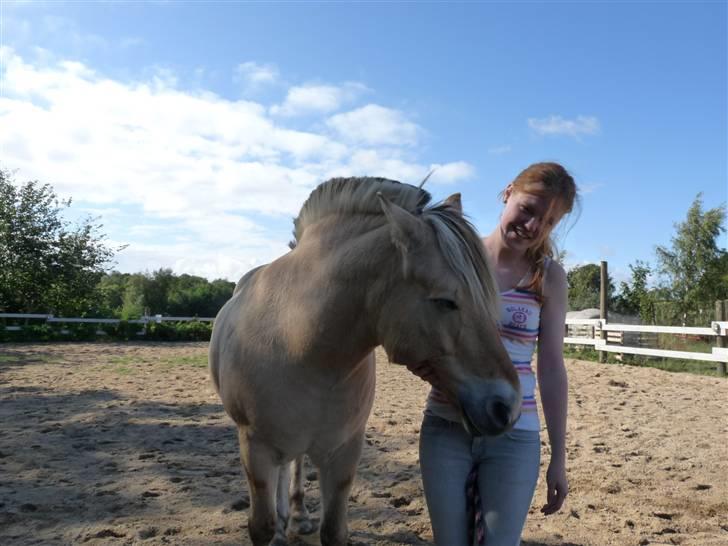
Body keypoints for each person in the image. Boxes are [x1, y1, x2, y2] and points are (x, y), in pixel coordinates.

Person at [409, 162, 578, 546]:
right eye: (528, 209)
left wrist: (558, 457)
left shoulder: (548, 277)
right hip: (447, 426)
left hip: (516, 434)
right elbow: (422, 334)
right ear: (507, 193)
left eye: (548, 221)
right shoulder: (457, 260)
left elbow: (551, 367)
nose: (534, 226)